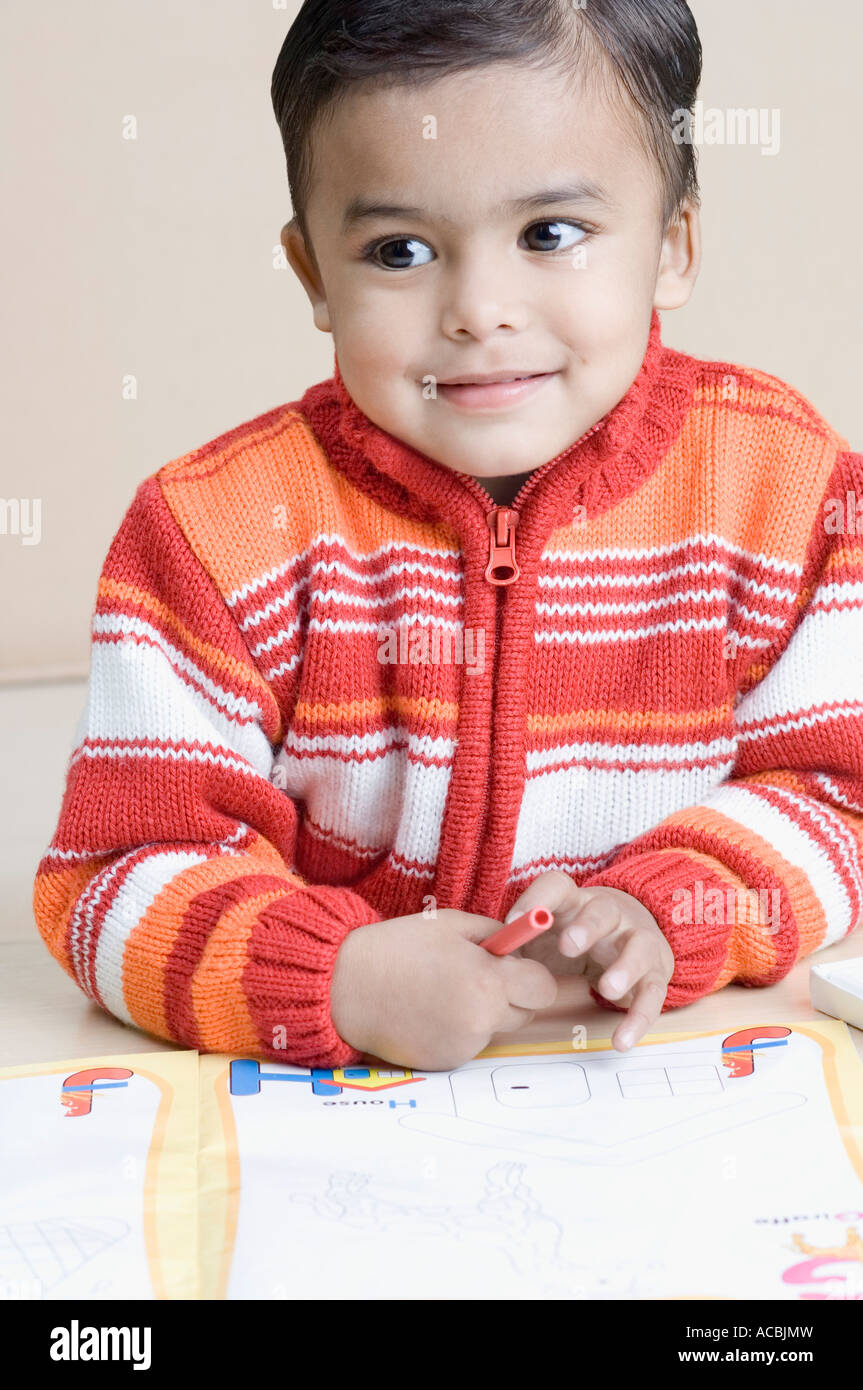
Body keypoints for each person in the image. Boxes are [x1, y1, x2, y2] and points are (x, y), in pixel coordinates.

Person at [33, 1, 863, 1073]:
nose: (478, 308)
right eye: (399, 249)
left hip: (661, 1090)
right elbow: (113, 874)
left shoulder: (787, 490)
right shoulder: (212, 533)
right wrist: (335, 977)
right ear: (312, 276)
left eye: (548, 234)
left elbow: (838, 795)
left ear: (670, 247)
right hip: (336, 1119)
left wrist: (667, 905)